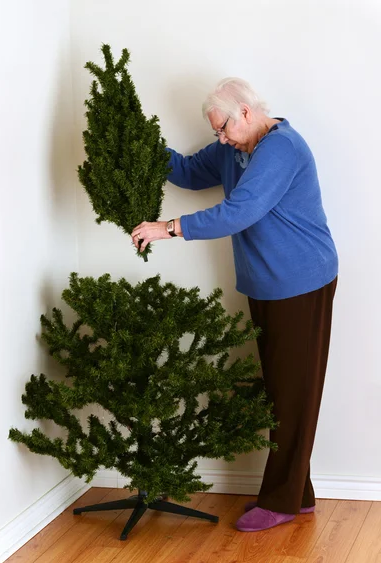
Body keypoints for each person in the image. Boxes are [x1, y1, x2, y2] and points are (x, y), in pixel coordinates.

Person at [131, 77, 338, 532]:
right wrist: (141, 137)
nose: (220, 139)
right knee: (283, 390)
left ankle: (282, 500)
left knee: (293, 393)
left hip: (301, 281)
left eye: (223, 128)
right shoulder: (231, 148)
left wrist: (168, 228)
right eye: (216, 133)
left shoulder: (281, 149)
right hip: (266, 284)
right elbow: (187, 171)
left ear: (246, 111)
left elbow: (240, 210)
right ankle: (297, 493)